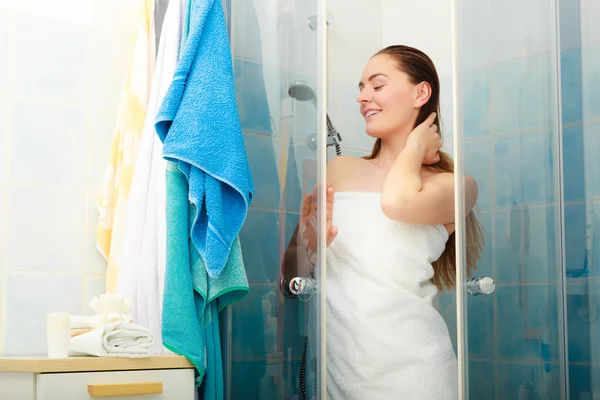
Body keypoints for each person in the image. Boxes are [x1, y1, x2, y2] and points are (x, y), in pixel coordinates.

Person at [280, 45, 484, 399]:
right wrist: (307, 248)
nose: (363, 97)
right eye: (360, 88)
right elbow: (289, 277)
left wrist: (416, 149)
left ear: (421, 93)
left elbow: (396, 202)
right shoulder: (340, 171)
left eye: (376, 85)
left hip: (418, 373)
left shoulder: (453, 185)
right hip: (345, 371)